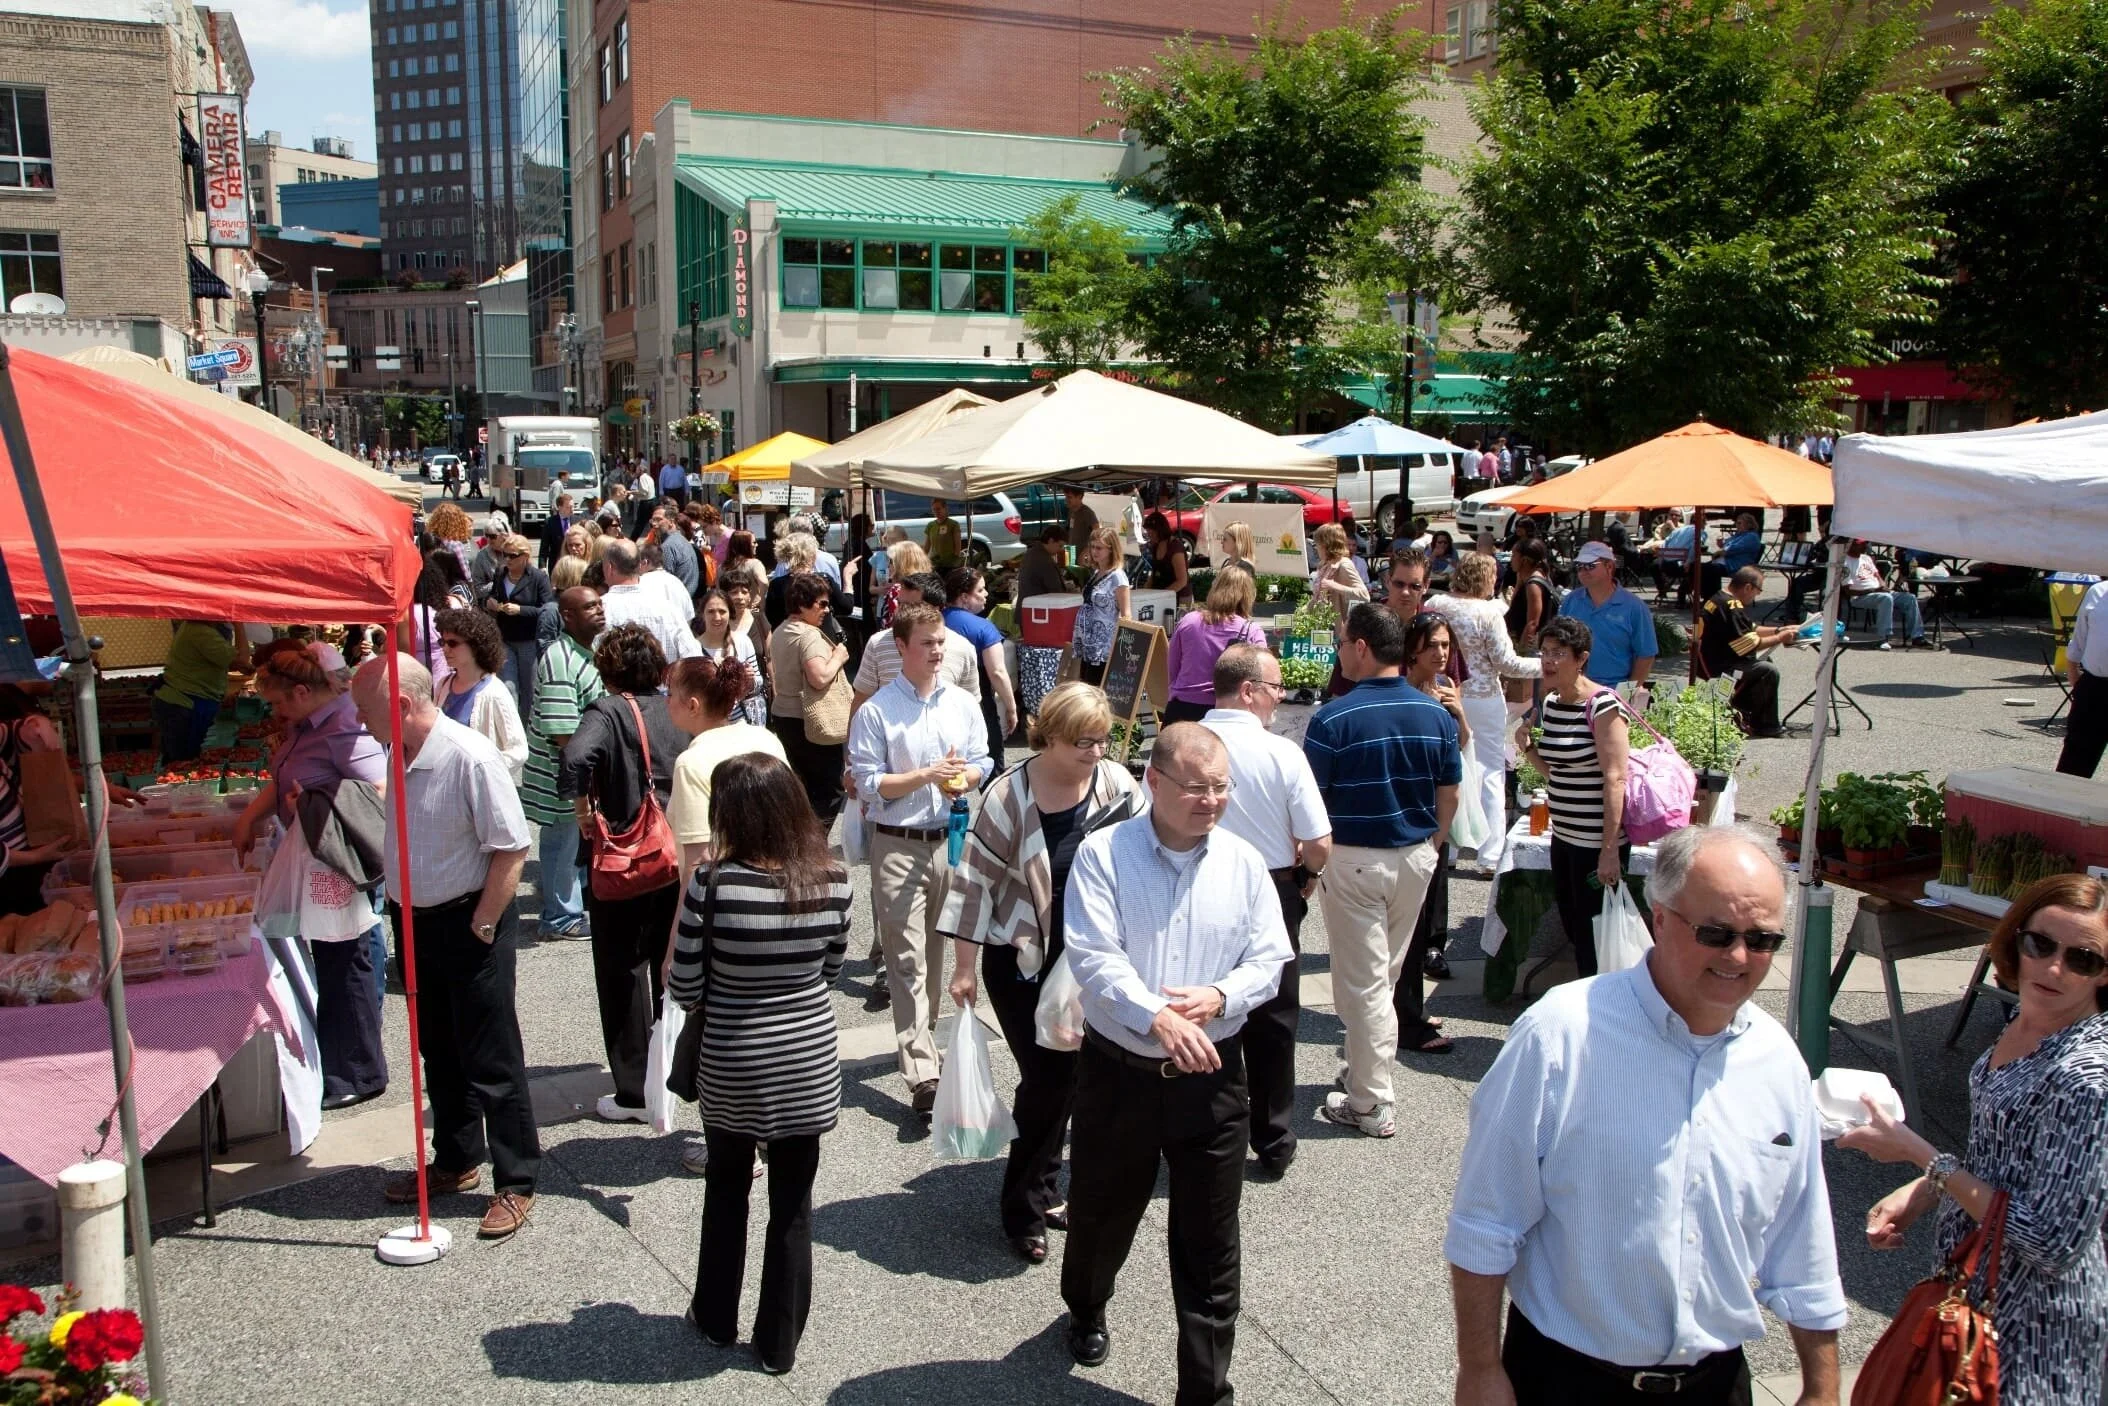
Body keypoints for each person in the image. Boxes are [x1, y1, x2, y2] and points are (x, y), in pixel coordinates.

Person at [1445, 826, 1845, 1406]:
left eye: (1762, 940)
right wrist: (1480, 1371)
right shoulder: (1562, 1035)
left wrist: (1822, 1387)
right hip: (1568, 1382)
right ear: (1660, 918)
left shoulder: (1777, 1061)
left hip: (1716, 1385)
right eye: (1716, 934)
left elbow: (1802, 1239)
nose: (1739, 957)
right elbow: (1486, 1222)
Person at [1059, 723, 1291, 1401]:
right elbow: (1094, 957)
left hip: (1214, 1079)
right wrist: (1155, 1017)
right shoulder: (1104, 855)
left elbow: (1270, 957)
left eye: (1221, 787)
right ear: (1153, 782)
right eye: (1196, 787)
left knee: (1211, 1244)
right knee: (1102, 1215)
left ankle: (1205, 1390)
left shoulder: (1244, 863)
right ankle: (1087, 1303)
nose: (1211, 800)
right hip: (1120, 1076)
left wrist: (1222, 996)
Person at [1840, 873, 2107, 1406]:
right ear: (2015, 940)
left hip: (2036, 1331)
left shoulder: (2087, 1078)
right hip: (1983, 1292)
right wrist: (1925, 1189)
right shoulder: (2029, 1022)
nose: (2055, 967)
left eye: (2083, 958)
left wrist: (1922, 1156)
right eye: (2041, 944)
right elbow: (2007, 1157)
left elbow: (2052, 1243)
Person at [942, 681, 1144, 1261]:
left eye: (1104, 741)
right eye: (1084, 741)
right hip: (1021, 959)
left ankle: (1045, 1187)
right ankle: (1024, 1209)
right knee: (1049, 1079)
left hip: (1090, 955)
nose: (1096, 753)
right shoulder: (1010, 796)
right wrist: (962, 969)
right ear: (1050, 735)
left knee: (1074, 1077)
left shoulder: (1116, 785)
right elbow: (973, 884)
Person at [671, 754, 851, 1374]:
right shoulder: (832, 875)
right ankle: (778, 1344)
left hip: (732, 1058)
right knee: (793, 1204)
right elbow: (832, 968)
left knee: (726, 1189)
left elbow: (685, 984)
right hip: (807, 1057)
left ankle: (716, 1318)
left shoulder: (711, 883)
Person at [352, 655, 541, 1242]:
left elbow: (512, 848)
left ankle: (517, 1179)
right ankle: (457, 1158)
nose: (361, 723)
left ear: (402, 706)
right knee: (439, 1046)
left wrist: (483, 925)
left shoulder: (469, 756)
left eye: (367, 711)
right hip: (414, 920)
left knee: (491, 1054)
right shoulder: (396, 751)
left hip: (468, 919)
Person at [1303, 603, 1462, 1133]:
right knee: (1381, 974)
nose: (1340, 649)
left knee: (1367, 980)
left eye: (1344, 641)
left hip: (1355, 860)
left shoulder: (1332, 718)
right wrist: (1435, 844)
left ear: (1363, 647)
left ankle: (1371, 1101)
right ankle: (1365, 1072)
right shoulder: (1436, 715)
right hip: (1415, 857)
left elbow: (1310, 806)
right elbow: (1450, 792)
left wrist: (1309, 865)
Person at [847, 603, 990, 1120]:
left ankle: (922, 1039)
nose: (938, 651)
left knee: (935, 958)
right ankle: (923, 1072)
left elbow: (983, 758)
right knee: (905, 959)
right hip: (898, 844)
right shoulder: (877, 711)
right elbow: (869, 784)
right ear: (901, 647)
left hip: (950, 840)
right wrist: (927, 775)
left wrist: (965, 778)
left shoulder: (962, 704)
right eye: (927, 643)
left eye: (941, 642)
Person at [1200, 646, 1331, 1176]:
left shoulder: (1182, 743)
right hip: (1273, 888)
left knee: (1204, 1005)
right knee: (1273, 1016)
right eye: (1275, 687)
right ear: (1249, 690)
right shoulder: (1282, 753)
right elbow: (1318, 840)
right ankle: (1273, 1138)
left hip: (1197, 885)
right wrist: (1311, 876)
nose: (1281, 696)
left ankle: (1205, 1122)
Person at [562, 624, 685, 1125]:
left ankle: (634, 1089)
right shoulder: (676, 708)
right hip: (675, 850)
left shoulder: (608, 710)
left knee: (621, 970)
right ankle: (672, 1072)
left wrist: (584, 809)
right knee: (668, 963)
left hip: (625, 854)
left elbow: (573, 758)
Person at [1515, 616, 1633, 978]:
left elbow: (1616, 778)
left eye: (1558, 653)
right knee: (1574, 926)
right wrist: (1529, 749)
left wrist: (1609, 850)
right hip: (1563, 836)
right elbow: (1558, 773)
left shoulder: (1603, 706)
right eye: (1545, 652)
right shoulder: (1550, 703)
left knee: (1594, 935)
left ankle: (1601, 1017)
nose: (1548, 661)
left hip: (1596, 841)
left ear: (1581, 658)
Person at [1426, 551, 1540, 871]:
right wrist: (1546, 665)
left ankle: (1447, 848)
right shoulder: (1488, 613)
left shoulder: (1436, 605)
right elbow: (1507, 662)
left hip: (1445, 692)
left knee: (1450, 770)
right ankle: (1489, 855)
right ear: (1487, 578)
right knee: (1490, 771)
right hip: (1483, 695)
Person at [519, 586, 605, 942]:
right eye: (589, 607)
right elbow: (563, 733)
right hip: (562, 775)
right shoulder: (559, 660)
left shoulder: (586, 651)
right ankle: (559, 917)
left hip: (577, 772)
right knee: (560, 843)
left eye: (599, 604)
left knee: (573, 843)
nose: (599, 611)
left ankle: (570, 899)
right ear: (568, 616)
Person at [1398, 613, 1470, 995]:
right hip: (1411, 792)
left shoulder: (1446, 685)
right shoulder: (1402, 686)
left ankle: (1433, 946)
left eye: (1446, 645)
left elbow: (1464, 741)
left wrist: (1457, 710)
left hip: (1439, 793)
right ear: (1414, 649)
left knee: (1438, 869)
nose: (1441, 652)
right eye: (1433, 645)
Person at [769, 573, 852, 824]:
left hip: (785, 716)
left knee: (802, 785)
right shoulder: (808, 635)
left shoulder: (782, 629)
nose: (827, 610)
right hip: (811, 722)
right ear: (802, 604)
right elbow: (819, 677)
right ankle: (816, 846)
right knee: (828, 791)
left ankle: (802, 841)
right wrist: (839, 657)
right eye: (822, 604)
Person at [850, 574, 980, 710]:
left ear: (935, 610)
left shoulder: (963, 649)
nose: (898, 611)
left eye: (910, 606)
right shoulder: (878, 644)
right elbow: (861, 700)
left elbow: (971, 708)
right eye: (899, 603)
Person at [1694, 566, 1797, 739]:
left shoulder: (1719, 598)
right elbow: (1749, 645)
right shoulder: (1731, 606)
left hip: (1711, 662)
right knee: (1767, 670)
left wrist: (1779, 629)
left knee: (1764, 663)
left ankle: (1748, 712)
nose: (1756, 595)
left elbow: (1751, 629)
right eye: (1758, 591)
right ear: (1748, 587)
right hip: (1721, 669)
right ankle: (1766, 725)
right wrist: (1781, 637)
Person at [433, 608, 529, 783]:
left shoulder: (495, 692)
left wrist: (481, 772)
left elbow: (519, 750)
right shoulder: (443, 685)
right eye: (442, 642)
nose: (445, 649)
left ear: (476, 645)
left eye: (453, 643)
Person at [1164, 565, 1266, 726]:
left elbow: (1172, 666)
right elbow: (1262, 678)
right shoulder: (1251, 631)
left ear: (1215, 588)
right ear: (1247, 596)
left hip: (1181, 710)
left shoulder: (1189, 621)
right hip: (1228, 714)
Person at [942, 567, 1018, 773]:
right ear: (964, 597)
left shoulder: (935, 620)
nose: (986, 594)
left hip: (939, 701)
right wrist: (1011, 708)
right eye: (981, 590)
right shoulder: (984, 627)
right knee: (989, 762)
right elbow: (998, 672)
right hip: (978, 701)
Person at [1559, 542, 1659, 691]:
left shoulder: (1635, 607)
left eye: (1591, 565)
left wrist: (1629, 693)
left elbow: (1646, 655)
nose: (1583, 571)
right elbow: (1559, 643)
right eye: (1580, 566)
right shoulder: (1570, 602)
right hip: (1574, 688)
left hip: (1615, 690)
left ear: (1609, 567)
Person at [153, 620, 248, 763]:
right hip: (184, 704)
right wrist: (239, 625)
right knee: (185, 762)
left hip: (181, 701)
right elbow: (242, 660)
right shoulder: (201, 632)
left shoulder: (194, 628)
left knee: (182, 760)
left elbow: (229, 662)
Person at [479, 532, 551, 717]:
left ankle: (528, 733)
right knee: (508, 688)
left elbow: (547, 609)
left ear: (525, 557)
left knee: (529, 690)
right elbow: (493, 595)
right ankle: (511, 729)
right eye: (504, 554)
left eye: (512, 555)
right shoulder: (501, 574)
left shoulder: (538, 578)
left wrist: (520, 610)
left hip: (528, 640)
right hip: (505, 639)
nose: (507, 559)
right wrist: (490, 602)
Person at [598, 537, 702, 664]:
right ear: (639, 564)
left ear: (609, 567)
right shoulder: (668, 608)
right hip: (665, 682)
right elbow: (693, 659)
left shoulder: (599, 610)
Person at [2056, 577, 2108, 777]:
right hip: (2094, 687)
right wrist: (2076, 682)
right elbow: (2077, 643)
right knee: (2073, 767)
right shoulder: (2098, 591)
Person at [694, 588, 766, 727]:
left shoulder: (742, 642)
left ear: (730, 613)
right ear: (702, 614)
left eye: (722, 611)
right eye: (711, 611)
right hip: (709, 725)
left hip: (742, 724)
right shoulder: (693, 648)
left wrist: (749, 681)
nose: (717, 617)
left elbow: (758, 682)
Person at [1071, 525, 1131, 689]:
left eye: (1099, 548)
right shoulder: (1097, 573)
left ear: (1111, 549)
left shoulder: (1117, 577)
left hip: (1103, 647)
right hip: (1088, 644)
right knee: (1087, 687)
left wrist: (1118, 648)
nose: (1094, 551)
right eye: (1092, 547)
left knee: (1095, 690)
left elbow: (1126, 614)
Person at [1843, 541, 1932, 649]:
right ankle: (1882, 638)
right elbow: (1848, 591)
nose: (1866, 546)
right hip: (1860, 596)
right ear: (1852, 546)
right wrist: (1873, 590)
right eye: (1862, 544)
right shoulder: (1845, 563)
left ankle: (1917, 636)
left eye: (1866, 543)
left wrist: (1883, 585)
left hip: (1879, 592)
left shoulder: (1866, 558)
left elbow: (1877, 576)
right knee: (1886, 598)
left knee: (1910, 598)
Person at [722, 564, 773, 717]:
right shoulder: (718, 624)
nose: (740, 597)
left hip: (756, 696)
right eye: (734, 592)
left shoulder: (758, 620)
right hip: (726, 700)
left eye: (744, 592)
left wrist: (775, 693)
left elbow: (770, 659)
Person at [1505, 538, 1558, 656]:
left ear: (1525, 560)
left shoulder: (1533, 585)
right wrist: (1519, 580)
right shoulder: (1525, 579)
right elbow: (1514, 606)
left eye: (1514, 555)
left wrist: (1521, 652)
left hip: (1527, 648)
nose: (1511, 559)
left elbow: (1532, 623)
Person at [1310, 521, 1371, 618]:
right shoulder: (1325, 565)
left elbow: (1364, 596)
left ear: (1326, 545)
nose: (1316, 549)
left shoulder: (1344, 564)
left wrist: (1334, 586)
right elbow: (1317, 597)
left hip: (1338, 628)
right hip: (1323, 627)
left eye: (1317, 545)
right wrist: (1302, 612)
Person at [1140, 511, 1193, 607]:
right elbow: (1155, 572)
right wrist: (1144, 591)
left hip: (1180, 597)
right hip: (1162, 594)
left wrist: (1161, 596)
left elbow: (1182, 581)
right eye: (1148, 532)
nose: (1149, 535)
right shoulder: (1155, 546)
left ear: (1160, 530)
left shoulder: (1175, 548)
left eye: (1151, 532)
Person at [878, 539, 931, 629]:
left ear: (902, 564)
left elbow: (890, 626)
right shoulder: (931, 586)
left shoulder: (896, 591)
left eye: (891, 561)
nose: (888, 565)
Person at [654, 506, 702, 599]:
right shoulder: (681, 540)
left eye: (659, 520)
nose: (655, 524)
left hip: (676, 600)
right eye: (653, 520)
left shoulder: (668, 546)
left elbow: (665, 581)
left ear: (671, 522)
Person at [1014, 524, 1070, 603]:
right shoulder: (1045, 561)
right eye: (1060, 546)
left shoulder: (1031, 553)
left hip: (1027, 607)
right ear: (1051, 541)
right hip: (1036, 609)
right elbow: (1057, 592)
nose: (1061, 550)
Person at [538, 493, 578, 570]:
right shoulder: (550, 522)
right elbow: (544, 546)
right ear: (559, 507)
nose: (572, 510)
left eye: (573, 506)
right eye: (568, 507)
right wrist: (542, 566)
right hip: (556, 565)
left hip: (575, 564)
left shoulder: (578, 521)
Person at [924, 496, 964, 572]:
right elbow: (927, 547)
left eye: (938, 509)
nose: (936, 511)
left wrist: (954, 564)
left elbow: (958, 547)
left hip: (949, 564)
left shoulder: (953, 524)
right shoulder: (930, 525)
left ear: (945, 508)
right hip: (935, 563)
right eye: (934, 509)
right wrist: (923, 560)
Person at [1064, 484, 1098, 554]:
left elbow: (1097, 533)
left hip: (1082, 554)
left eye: (1069, 497)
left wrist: (1087, 550)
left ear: (1079, 497)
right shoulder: (1071, 511)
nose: (1066, 500)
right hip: (1071, 551)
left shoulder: (1087, 512)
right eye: (1066, 497)